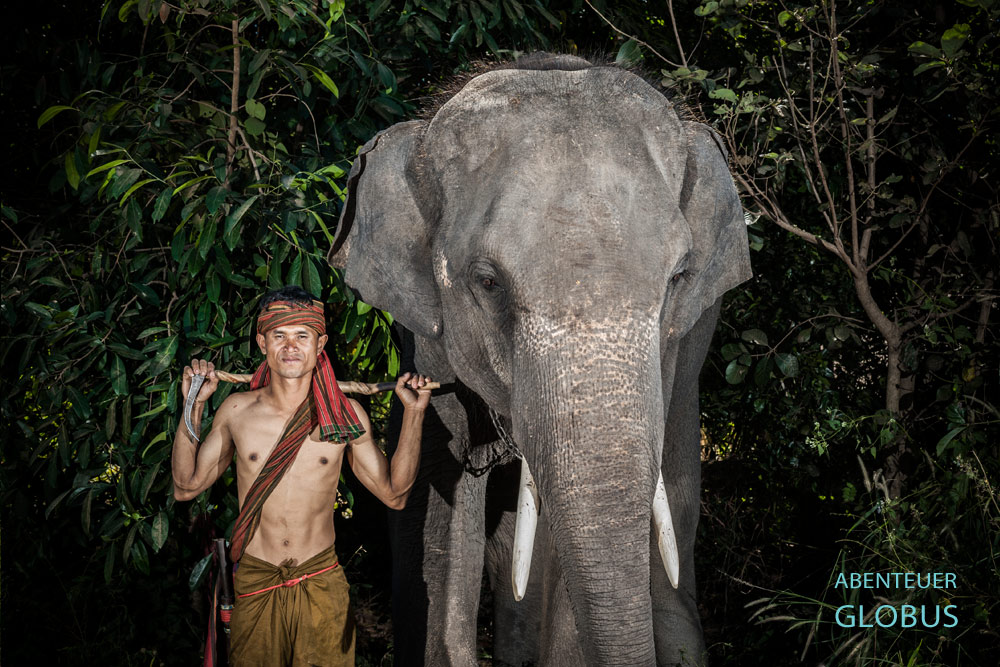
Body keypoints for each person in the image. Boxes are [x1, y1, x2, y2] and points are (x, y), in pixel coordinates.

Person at [171, 285, 432, 666]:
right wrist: (192, 407)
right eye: (279, 335)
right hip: (257, 580)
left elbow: (395, 495)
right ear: (263, 343)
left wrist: (414, 415)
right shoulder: (237, 411)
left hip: (320, 578)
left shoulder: (345, 416)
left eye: (301, 335)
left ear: (319, 342)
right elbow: (185, 487)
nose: (290, 346)